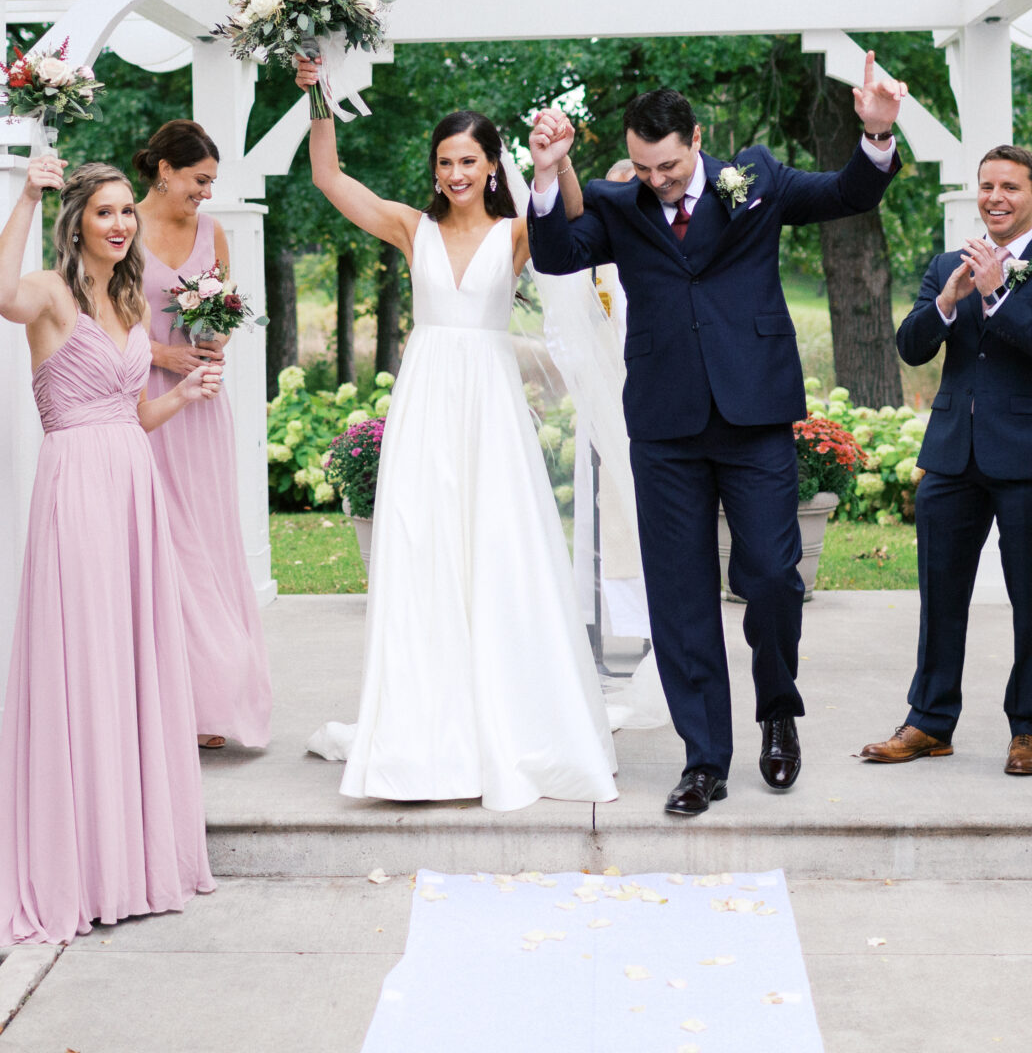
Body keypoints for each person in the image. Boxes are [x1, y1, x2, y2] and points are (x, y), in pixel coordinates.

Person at [527, 52, 904, 815]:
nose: (656, 181)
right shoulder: (617, 200)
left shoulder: (757, 179)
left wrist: (875, 134)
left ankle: (776, 710)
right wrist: (545, 174)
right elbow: (557, 254)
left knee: (769, 575)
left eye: (666, 166)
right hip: (665, 426)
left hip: (754, 413)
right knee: (679, 596)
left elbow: (846, 192)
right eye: (642, 166)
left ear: (696, 140)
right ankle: (703, 759)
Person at [296, 60, 617, 811]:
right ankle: (423, 727)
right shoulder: (413, 229)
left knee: (499, 549)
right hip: (429, 403)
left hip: (492, 405)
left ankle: (509, 714)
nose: (454, 172)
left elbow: (571, 221)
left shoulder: (515, 233)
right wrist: (316, 96)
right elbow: (329, 181)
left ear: (491, 164)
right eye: (444, 161)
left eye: (467, 160)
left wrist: (558, 161)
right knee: (426, 549)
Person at [0, 158, 220, 945]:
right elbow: (1, 297)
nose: (121, 224)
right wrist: (26, 193)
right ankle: (81, 865)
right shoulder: (52, 295)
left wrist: (181, 397)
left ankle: (133, 857)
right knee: (87, 660)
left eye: (127, 211)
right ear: (78, 222)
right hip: (79, 493)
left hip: (133, 489)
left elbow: (131, 415)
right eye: (105, 212)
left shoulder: (127, 299)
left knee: (134, 664)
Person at [861, 145, 1032, 777]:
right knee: (940, 594)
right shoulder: (950, 262)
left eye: (1009, 187)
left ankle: (1028, 730)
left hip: (1029, 456)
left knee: (1031, 597)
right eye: (986, 186)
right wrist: (948, 301)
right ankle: (929, 722)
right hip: (952, 455)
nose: (995, 198)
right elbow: (912, 347)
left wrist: (999, 296)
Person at [134, 120, 272, 751]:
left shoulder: (211, 232)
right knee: (162, 544)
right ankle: (168, 700)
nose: (205, 193)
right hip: (145, 404)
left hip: (202, 411)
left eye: (212, 182)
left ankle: (215, 697)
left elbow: (219, 310)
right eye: (199, 180)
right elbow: (99, 323)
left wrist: (214, 338)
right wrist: (164, 357)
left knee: (208, 542)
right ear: (164, 169)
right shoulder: (119, 224)